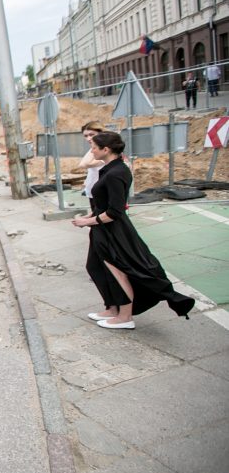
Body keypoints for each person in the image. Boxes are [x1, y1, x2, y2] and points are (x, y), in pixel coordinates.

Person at [72, 132, 194, 329]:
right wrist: (88, 218)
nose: (91, 150)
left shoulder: (116, 172)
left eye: (94, 147)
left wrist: (88, 222)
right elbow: (105, 205)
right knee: (96, 268)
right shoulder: (109, 169)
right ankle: (112, 308)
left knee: (117, 273)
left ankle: (125, 317)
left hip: (112, 232)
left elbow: (115, 212)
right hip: (102, 229)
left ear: (106, 150)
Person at [73, 121, 105, 213]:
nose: (88, 138)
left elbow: (83, 164)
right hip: (93, 192)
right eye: (86, 136)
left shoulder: (105, 149)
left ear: (101, 133)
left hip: (103, 193)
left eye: (92, 135)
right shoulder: (95, 148)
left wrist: (93, 147)